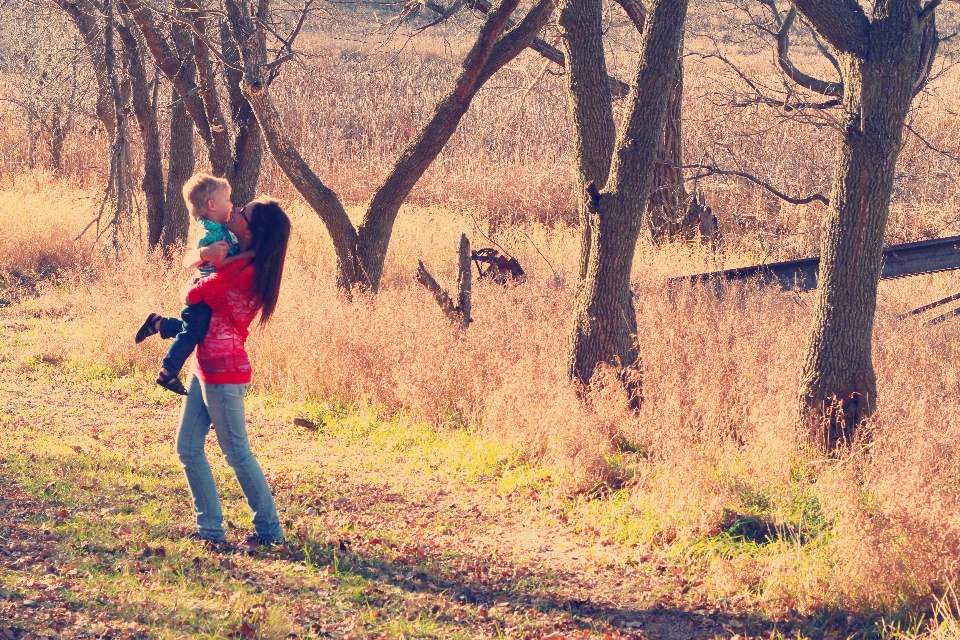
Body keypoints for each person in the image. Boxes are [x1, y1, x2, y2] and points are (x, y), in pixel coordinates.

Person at [138, 196, 291, 548]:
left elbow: (191, 294)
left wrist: (203, 269)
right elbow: (192, 263)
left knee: (237, 453)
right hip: (205, 365)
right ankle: (210, 531)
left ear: (253, 233)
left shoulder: (246, 271)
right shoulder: (240, 256)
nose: (235, 212)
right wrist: (205, 257)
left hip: (225, 370)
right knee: (188, 447)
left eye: (243, 214)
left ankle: (269, 532)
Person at [134, 173, 251, 395]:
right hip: (201, 296)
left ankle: (160, 324)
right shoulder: (209, 233)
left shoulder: (222, 229)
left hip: (210, 295)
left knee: (199, 331)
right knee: (193, 332)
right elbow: (205, 263)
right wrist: (210, 253)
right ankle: (168, 370)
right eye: (228, 199)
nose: (232, 204)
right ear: (211, 204)